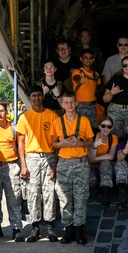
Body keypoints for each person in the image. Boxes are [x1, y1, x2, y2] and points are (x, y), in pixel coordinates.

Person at [17, 86, 60, 242]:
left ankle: (49, 226)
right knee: (33, 193)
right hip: (32, 157)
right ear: (30, 98)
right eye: (33, 95)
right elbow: (20, 143)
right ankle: (35, 227)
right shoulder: (25, 117)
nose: (36, 98)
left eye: (39, 95)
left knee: (49, 192)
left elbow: (56, 143)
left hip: (48, 156)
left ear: (43, 97)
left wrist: (54, 166)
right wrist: (23, 164)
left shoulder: (53, 116)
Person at [51, 91, 94, 244]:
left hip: (80, 163)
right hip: (64, 164)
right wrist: (62, 144)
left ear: (76, 103)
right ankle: (68, 230)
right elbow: (54, 143)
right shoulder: (57, 122)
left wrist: (79, 143)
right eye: (66, 102)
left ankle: (79, 231)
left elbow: (90, 141)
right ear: (62, 105)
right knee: (65, 198)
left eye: (72, 102)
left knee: (81, 198)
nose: (69, 105)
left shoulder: (84, 121)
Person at [0, 100, 26, 242]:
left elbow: (21, 148)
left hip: (11, 167)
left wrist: (22, 166)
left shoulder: (14, 128)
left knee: (14, 198)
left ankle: (16, 228)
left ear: (6, 112)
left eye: (1, 110)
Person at [102, 55, 128, 138]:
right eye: (125, 65)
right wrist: (112, 93)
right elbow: (104, 99)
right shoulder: (116, 79)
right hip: (115, 112)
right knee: (115, 137)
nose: (127, 67)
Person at [89, 116, 120, 207]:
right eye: (104, 126)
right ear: (99, 126)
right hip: (91, 165)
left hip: (102, 163)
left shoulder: (113, 138)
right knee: (91, 180)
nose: (106, 129)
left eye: (109, 127)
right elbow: (89, 157)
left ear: (112, 128)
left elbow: (111, 156)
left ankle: (106, 194)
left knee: (106, 163)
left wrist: (94, 158)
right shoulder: (92, 136)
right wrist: (95, 145)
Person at [69, 49, 101, 131]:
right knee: (81, 129)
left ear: (93, 60)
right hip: (81, 106)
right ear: (81, 59)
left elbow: (98, 90)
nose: (88, 60)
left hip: (93, 106)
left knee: (94, 129)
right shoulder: (77, 72)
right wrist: (80, 80)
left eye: (90, 58)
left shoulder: (95, 74)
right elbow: (76, 78)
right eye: (85, 57)